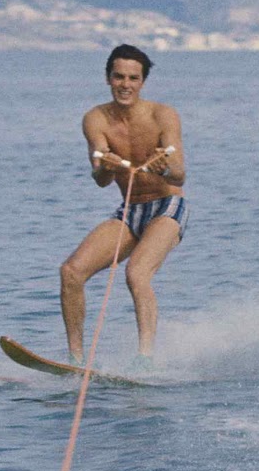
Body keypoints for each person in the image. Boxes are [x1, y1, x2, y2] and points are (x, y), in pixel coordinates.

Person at [57, 44, 186, 361]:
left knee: (136, 274)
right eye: (118, 77)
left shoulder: (162, 115)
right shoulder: (95, 119)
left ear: (142, 82)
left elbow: (180, 174)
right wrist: (106, 167)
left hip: (166, 206)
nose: (125, 84)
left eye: (133, 78)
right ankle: (76, 360)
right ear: (107, 78)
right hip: (130, 210)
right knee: (71, 272)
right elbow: (100, 178)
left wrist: (164, 167)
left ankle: (146, 360)